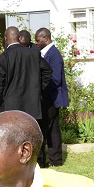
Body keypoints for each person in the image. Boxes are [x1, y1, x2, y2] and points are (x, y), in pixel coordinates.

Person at [0, 26, 52, 119]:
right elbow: (47, 71)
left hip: (10, 106)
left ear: (5, 38)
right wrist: (38, 89)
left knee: (13, 133)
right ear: (19, 38)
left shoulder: (2, 58)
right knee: (30, 133)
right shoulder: (33, 53)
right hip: (32, 105)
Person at [35, 27, 69, 167]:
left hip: (51, 97)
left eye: (38, 40)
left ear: (46, 38)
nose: (36, 43)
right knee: (53, 130)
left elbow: (54, 79)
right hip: (50, 97)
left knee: (46, 128)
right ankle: (55, 159)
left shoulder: (53, 54)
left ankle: (43, 160)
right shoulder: (44, 53)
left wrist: (40, 89)